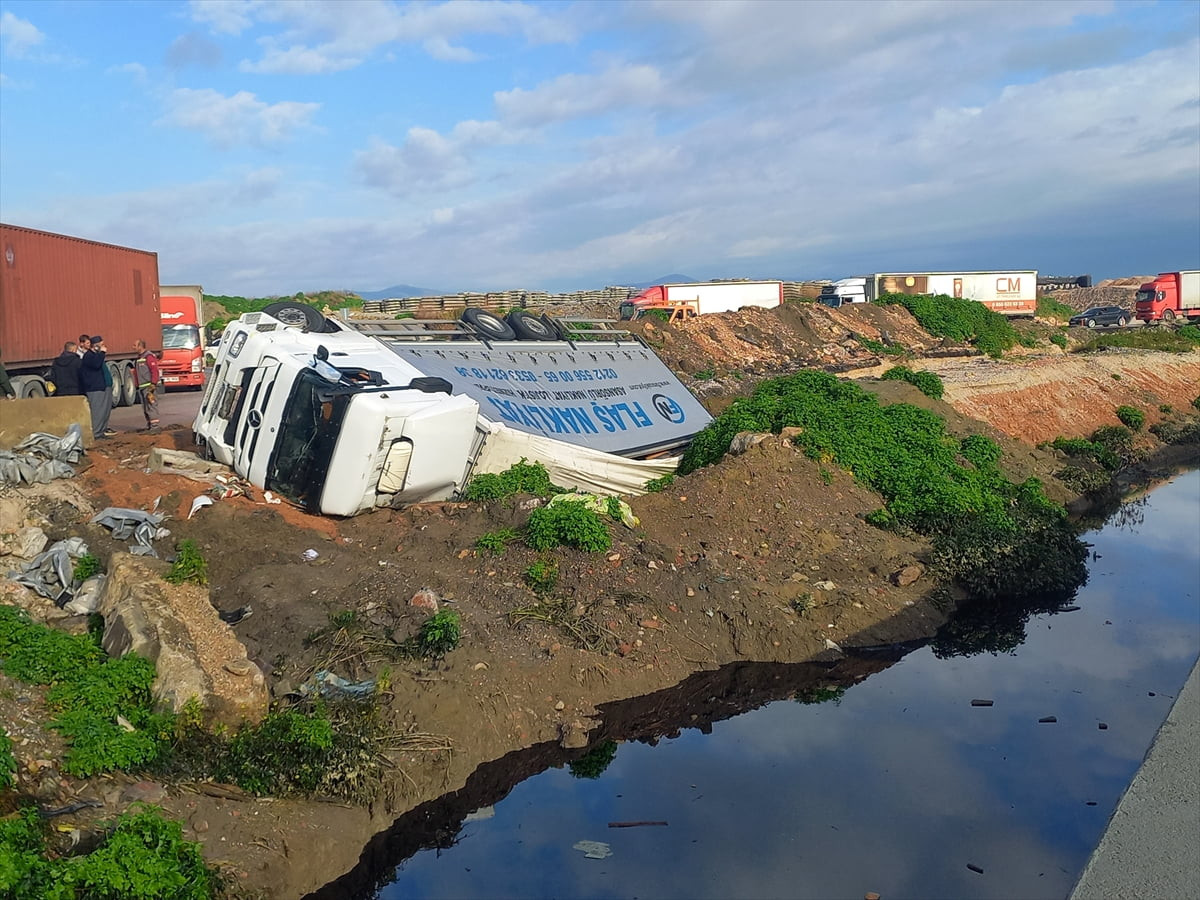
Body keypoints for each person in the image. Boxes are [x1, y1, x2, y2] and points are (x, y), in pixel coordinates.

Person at [80, 335, 114, 438]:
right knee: (98, 411)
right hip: (95, 388)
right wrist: (102, 353)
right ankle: (96, 433)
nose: (104, 347)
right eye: (101, 345)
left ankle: (102, 431)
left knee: (105, 411)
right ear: (95, 346)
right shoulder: (89, 356)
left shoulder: (97, 356)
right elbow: (96, 365)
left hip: (104, 386)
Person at [133, 339, 161, 432]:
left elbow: (154, 371)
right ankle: (150, 425)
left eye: (135, 345)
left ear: (140, 346)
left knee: (151, 405)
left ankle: (155, 426)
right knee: (145, 407)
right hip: (142, 387)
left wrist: (153, 384)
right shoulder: (139, 358)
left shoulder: (148, 357)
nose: (133, 347)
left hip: (149, 387)